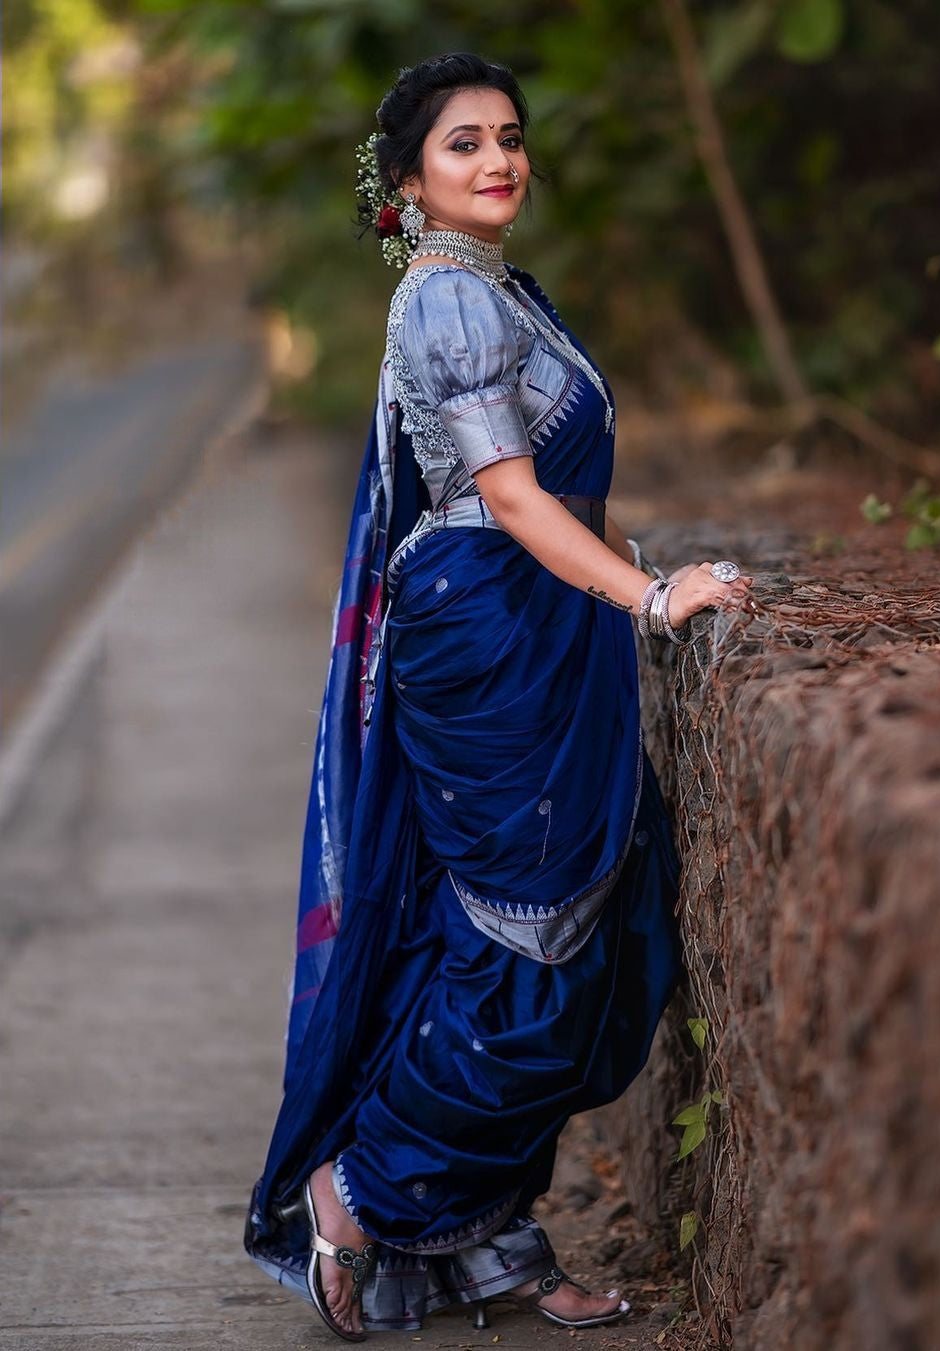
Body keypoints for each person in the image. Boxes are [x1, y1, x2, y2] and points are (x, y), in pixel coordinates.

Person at [242, 51, 754, 1343]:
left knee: (574, 942)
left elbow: (547, 501)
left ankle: (490, 1237)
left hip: (534, 623)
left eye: (511, 137)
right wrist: (648, 600)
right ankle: (365, 1191)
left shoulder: (497, 292)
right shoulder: (452, 306)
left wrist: (618, 576)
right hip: (495, 641)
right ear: (409, 185)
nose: (500, 160)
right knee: (520, 943)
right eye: (463, 144)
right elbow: (514, 499)